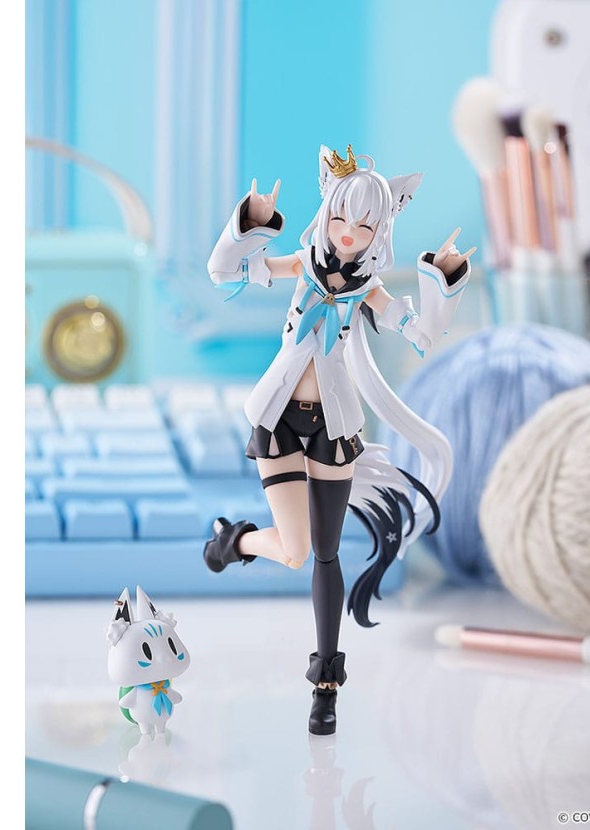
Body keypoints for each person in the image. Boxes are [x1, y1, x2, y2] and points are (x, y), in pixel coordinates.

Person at [203, 145, 475, 735]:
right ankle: (236, 542)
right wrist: (250, 224)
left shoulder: (369, 290)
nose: (349, 233)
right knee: (295, 552)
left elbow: (423, 335)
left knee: (325, 555)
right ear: (326, 213)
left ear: (381, 231)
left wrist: (441, 279)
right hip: (279, 417)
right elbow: (224, 272)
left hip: (333, 424)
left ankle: (325, 688)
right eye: (341, 218)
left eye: (366, 225)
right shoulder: (300, 265)